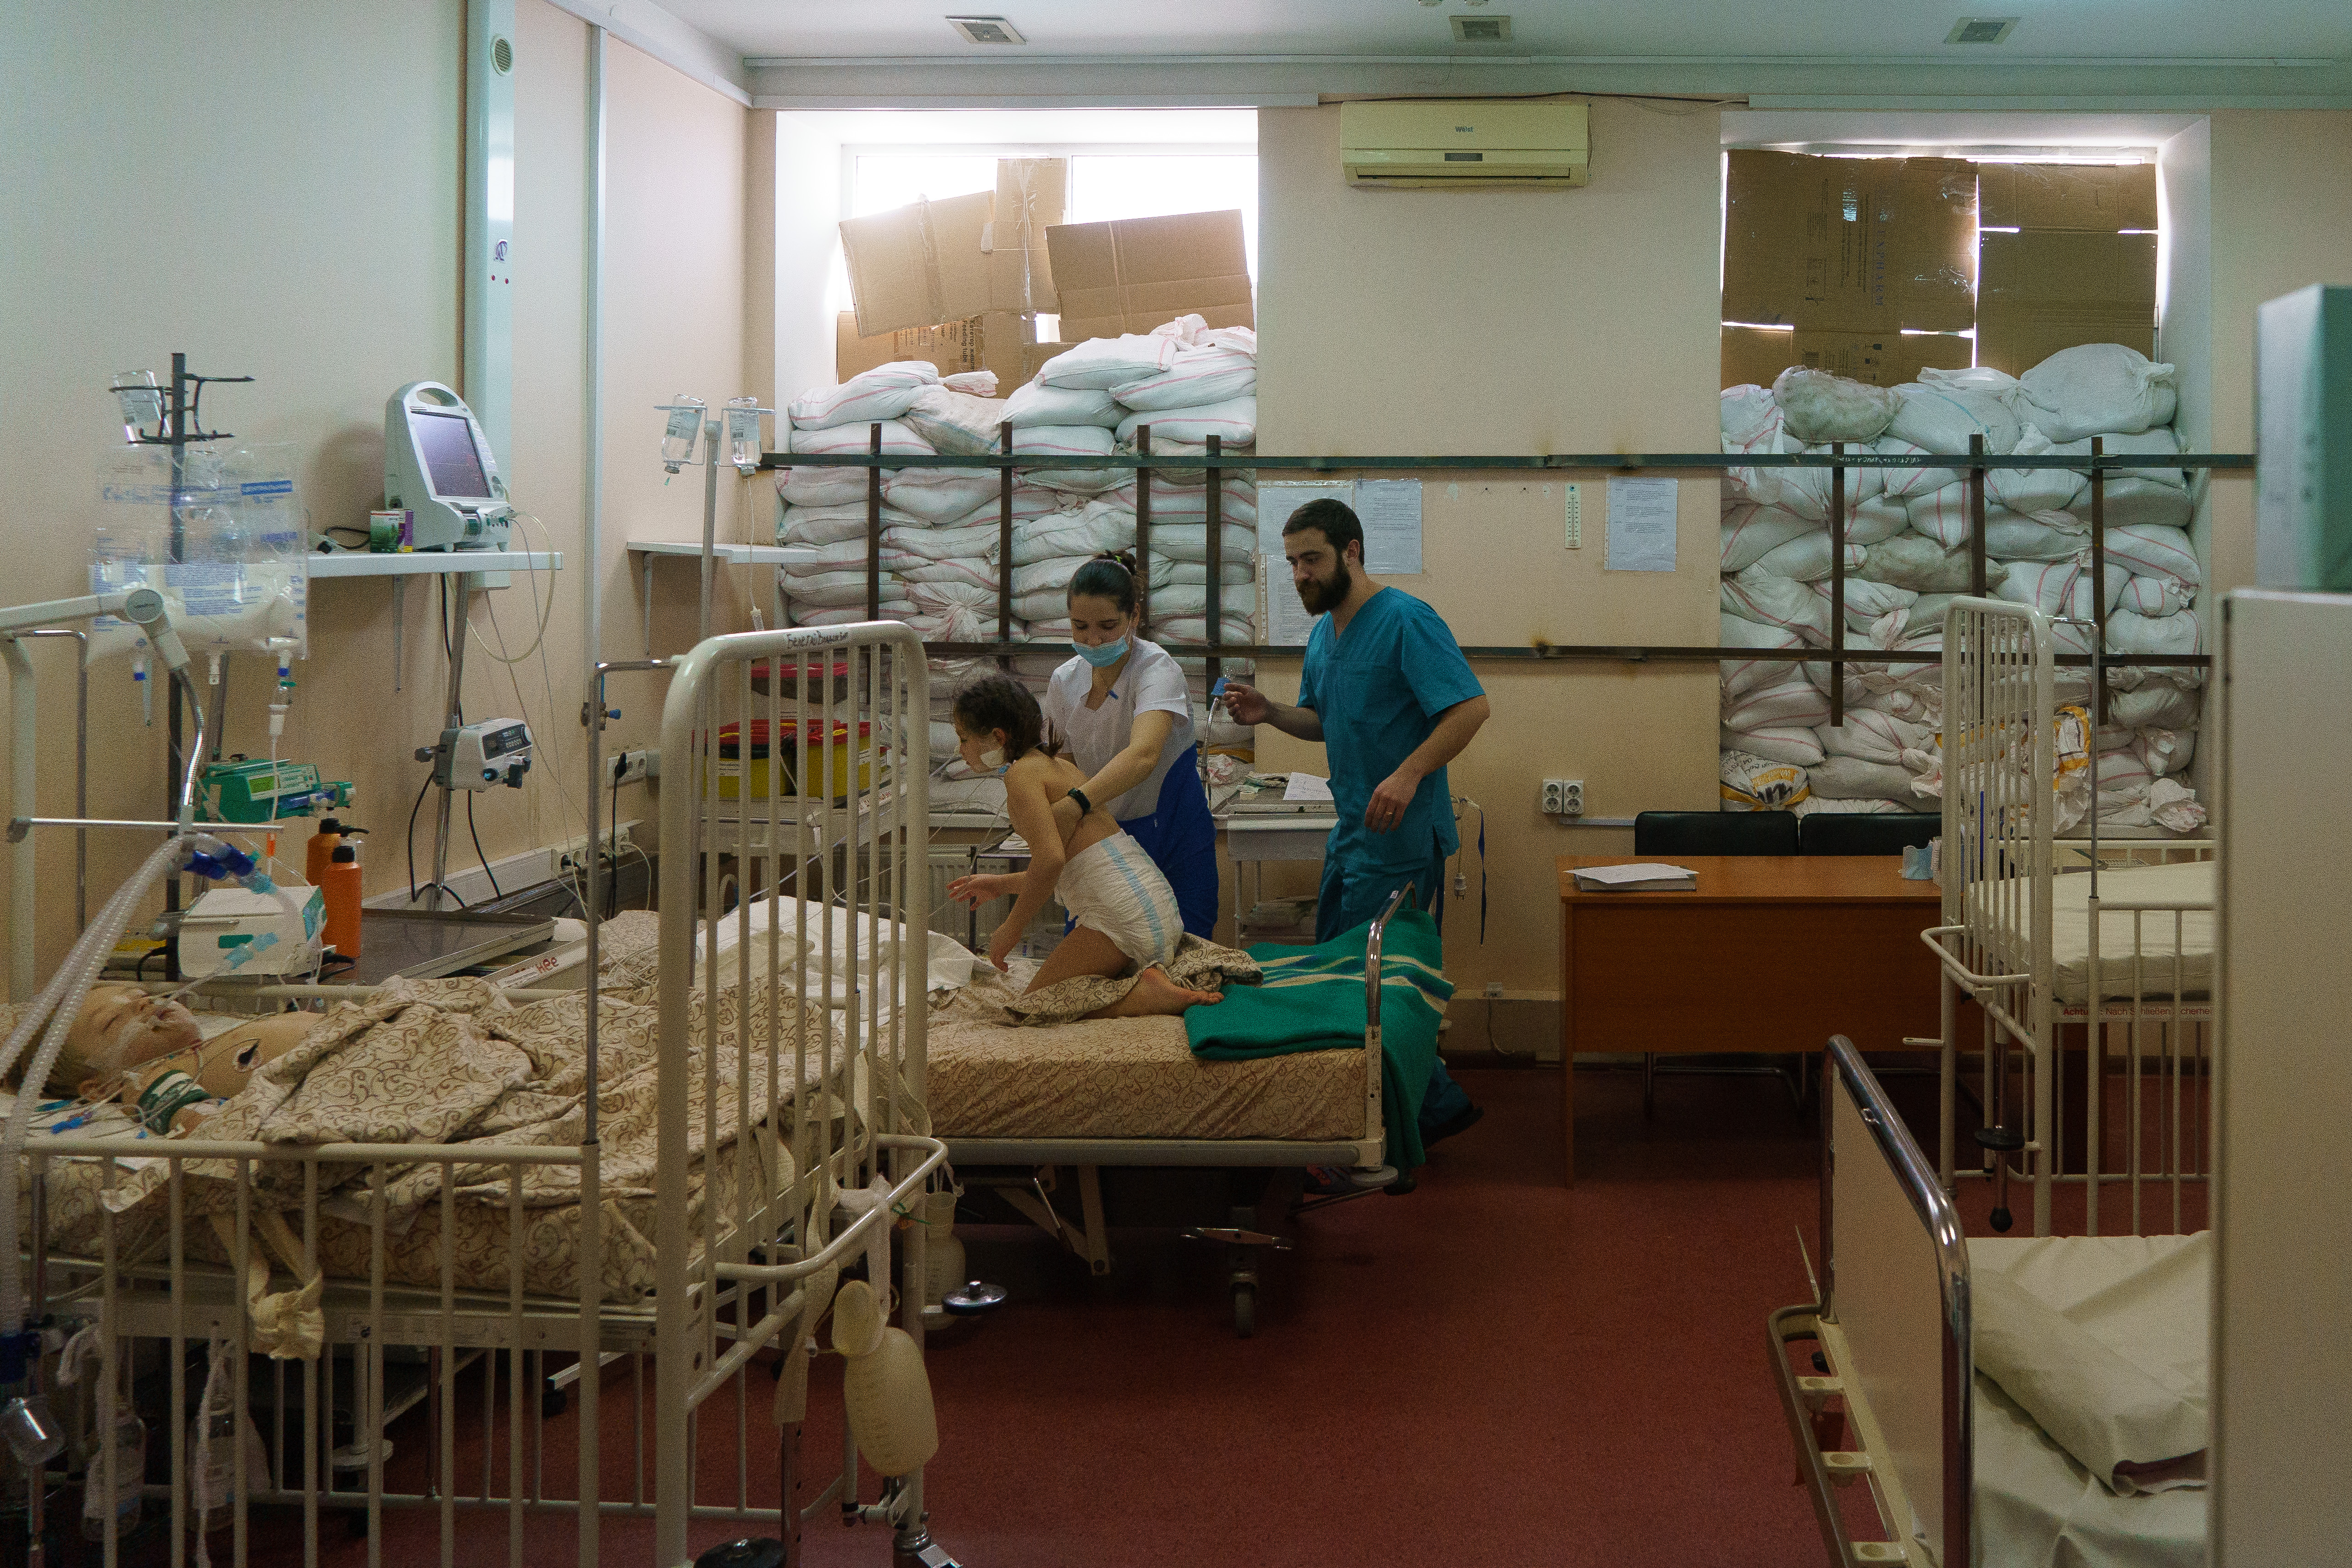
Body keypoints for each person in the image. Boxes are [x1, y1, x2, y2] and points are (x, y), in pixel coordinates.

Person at [1220, 498, 1491, 1149]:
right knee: (1353, 982)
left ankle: (1397, 1121)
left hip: (1398, 842)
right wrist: (1271, 711)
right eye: (1291, 562)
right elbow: (1324, 720)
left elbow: (1469, 709)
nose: (1300, 574)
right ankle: (1426, 1103)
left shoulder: (1404, 620)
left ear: (1352, 551)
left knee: (1370, 987)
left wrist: (1408, 773)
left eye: (1310, 558)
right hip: (1352, 838)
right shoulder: (1325, 634)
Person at [945, 673, 1222, 1019]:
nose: (960, 749)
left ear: (997, 737)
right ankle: (1140, 977)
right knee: (1053, 991)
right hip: (1158, 908)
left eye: (964, 738)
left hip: (1119, 919)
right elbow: (1072, 863)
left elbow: (1049, 861)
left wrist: (1010, 928)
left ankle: (1143, 993)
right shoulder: (1059, 766)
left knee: (1032, 1008)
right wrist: (1000, 884)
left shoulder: (1021, 776)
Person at [1037, 552, 1219, 938]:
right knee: (1096, 966)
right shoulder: (1063, 681)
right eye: (1079, 626)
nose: (1093, 639)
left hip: (1173, 837)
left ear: (1133, 617)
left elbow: (1143, 755)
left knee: (1184, 961)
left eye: (1107, 625)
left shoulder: (1156, 669)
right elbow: (1062, 768)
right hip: (1103, 841)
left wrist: (1075, 804)